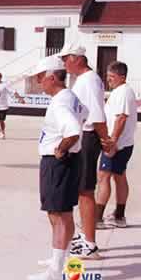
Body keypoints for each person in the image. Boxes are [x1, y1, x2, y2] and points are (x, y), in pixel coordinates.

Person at [27, 56, 86, 280]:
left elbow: (72, 131)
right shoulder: (70, 97)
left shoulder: (60, 102)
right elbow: (85, 113)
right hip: (70, 162)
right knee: (65, 213)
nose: (40, 81)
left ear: (52, 77)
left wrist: (61, 148)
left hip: (58, 162)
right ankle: (60, 258)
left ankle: (56, 270)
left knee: (57, 214)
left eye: (41, 77)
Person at [60, 43, 111, 260]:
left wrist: (106, 140)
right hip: (84, 137)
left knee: (85, 191)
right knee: (82, 190)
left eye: (66, 58)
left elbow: (97, 116)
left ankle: (89, 243)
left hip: (88, 138)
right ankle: (86, 238)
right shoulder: (83, 80)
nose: (64, 63)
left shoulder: (88, 81)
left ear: (78, 59)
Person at [96, 61, 138, 229]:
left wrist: (112, 141)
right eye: (107, 76)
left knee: (103, 177)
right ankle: (119, 216)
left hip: (117, 145)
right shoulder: (121, 92)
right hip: (124, 144)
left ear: (122, 77)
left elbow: (121, 117)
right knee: (119, 177)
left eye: (112, 77)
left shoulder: (123, 92)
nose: (109, 80)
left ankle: (97, 218)